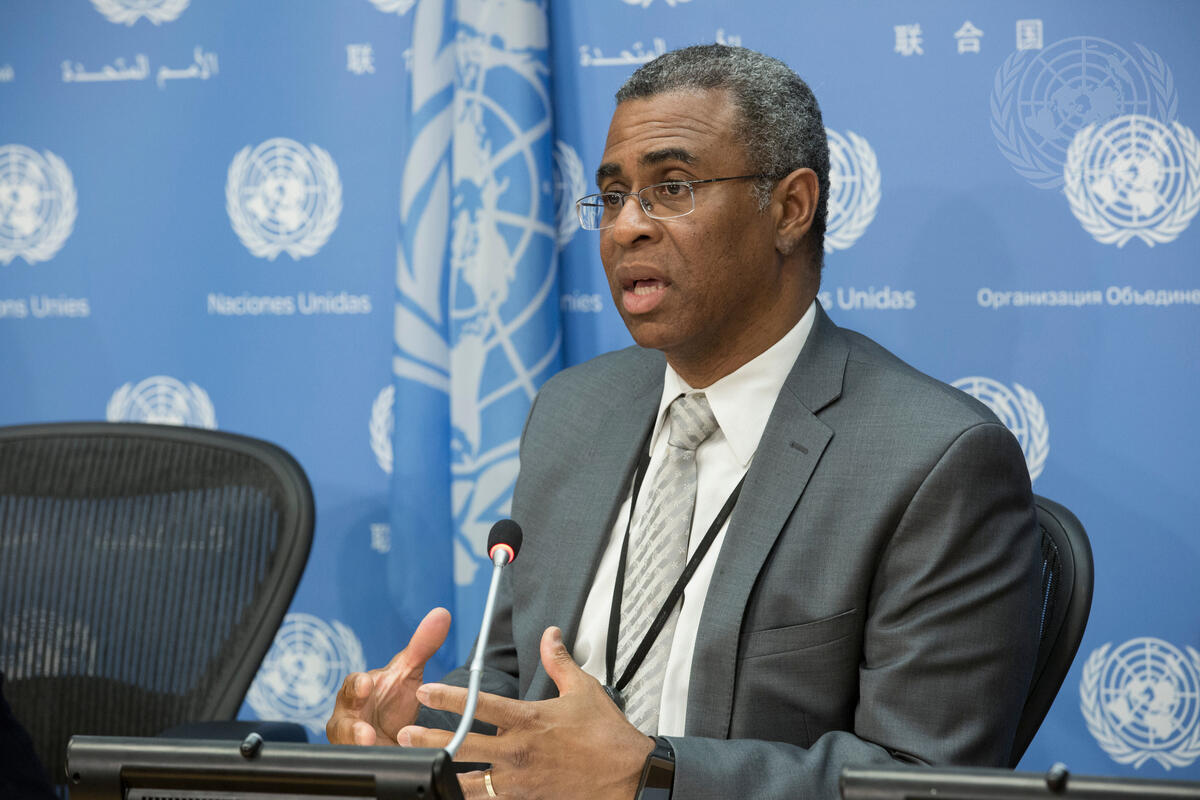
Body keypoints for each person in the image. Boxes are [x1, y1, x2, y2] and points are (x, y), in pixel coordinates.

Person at [328, 44, 1041, 800]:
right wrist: (421, 733)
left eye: (672, 188)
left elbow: (923, 780)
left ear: (790, 209)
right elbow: (516, 676)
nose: (624, 228)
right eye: (612, 196)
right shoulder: (574, 411)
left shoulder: (933, 461)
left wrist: (652, 775)